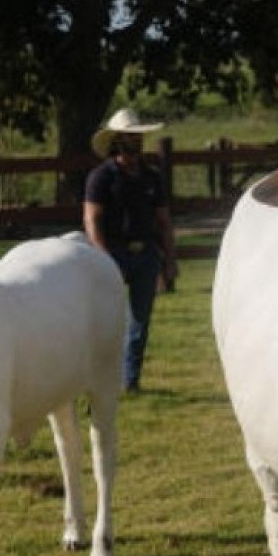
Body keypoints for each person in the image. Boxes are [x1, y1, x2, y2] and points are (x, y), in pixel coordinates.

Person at [83, 108, 178, 392]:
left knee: (139, 323)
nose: (135, 142)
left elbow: (164, 221)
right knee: (104, 321)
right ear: (117, 140)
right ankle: (96, 380)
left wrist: (169, 260)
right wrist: (104, 258)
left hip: (145, 256)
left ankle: (130, 381)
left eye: (138, 137)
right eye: (129, 137)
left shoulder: (151, 177)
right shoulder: (102, 177)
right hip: (113, 253)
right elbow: (91, 219)